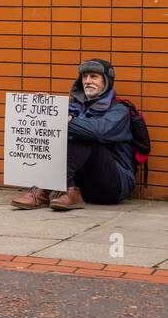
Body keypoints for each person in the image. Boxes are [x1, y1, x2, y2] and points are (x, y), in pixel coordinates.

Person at [11, 58, 136, 210]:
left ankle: (44, 189)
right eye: (84, 77)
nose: (88, 81)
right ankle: (59, 191)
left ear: (107, 81)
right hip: (80, 187)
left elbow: (98, 132)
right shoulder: (71, 106)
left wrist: (67, 120)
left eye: (94, 76)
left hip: (112, 186)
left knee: (86, 134)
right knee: (58, 134)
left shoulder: (119, 111)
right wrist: (42, 109)